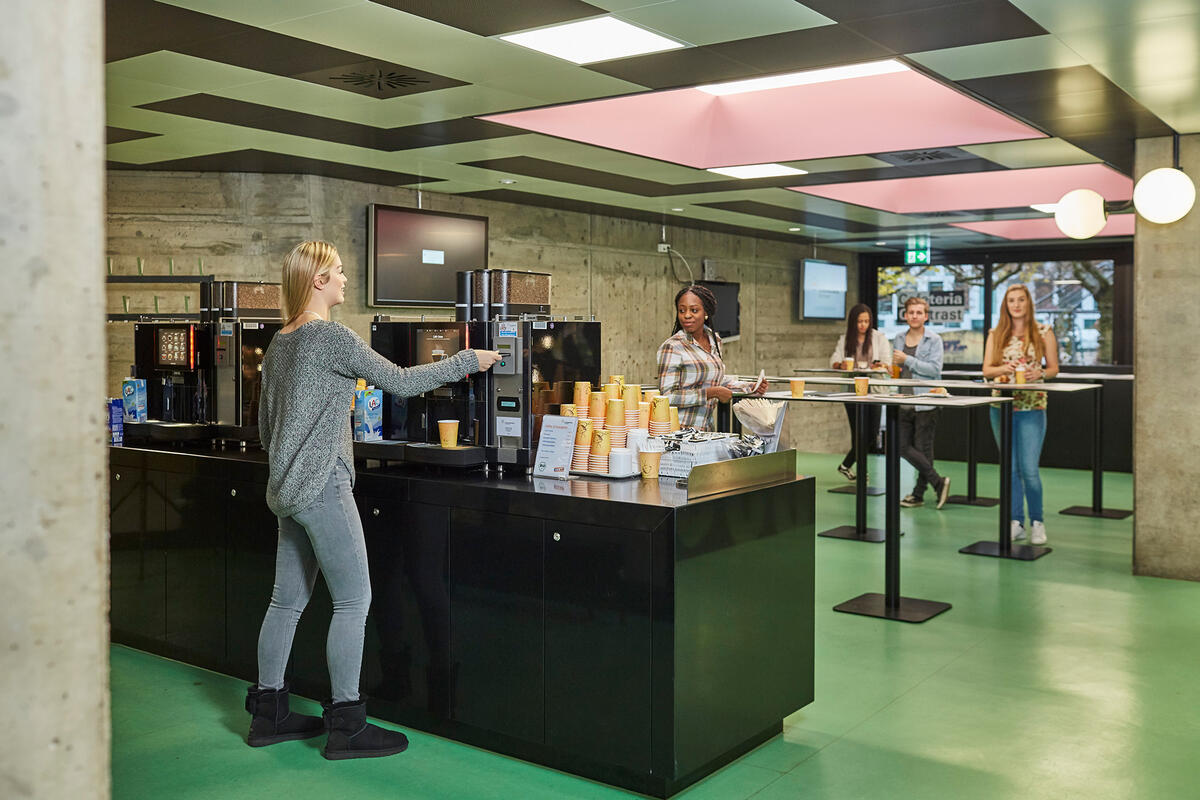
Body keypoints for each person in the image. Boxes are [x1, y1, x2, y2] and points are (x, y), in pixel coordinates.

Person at [247, 240, 500, 759]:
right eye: (338, 271)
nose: (345, 279)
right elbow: (401, 382)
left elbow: (266, 428)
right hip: (324, 486)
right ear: (318, 280)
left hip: (287, 489)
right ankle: (347, 724)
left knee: (285, 601)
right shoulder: (330, 337)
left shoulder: (279, 343)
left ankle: (268, 714)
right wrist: (467, 360)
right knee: (353, 601)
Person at [983, 284, 1059, 545]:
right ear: (1005, 305)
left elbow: (1054, 369)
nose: (1016, 305)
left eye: (1020, 300)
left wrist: (1040, 373)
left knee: (1029, 470)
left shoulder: (1044, 332)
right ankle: (1016, 522)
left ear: (1028, 303)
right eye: (1011, 300)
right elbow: (987, 370)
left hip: (1032, 407)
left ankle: (1037, 521)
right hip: (1000, 407)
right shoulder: (996, 334)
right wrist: (1005, 368)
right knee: (1010, 468)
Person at [657, 284, 762, 431]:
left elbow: (715, 379)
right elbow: (667, 397)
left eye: (694, 310)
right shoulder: (672, 347)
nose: (687, 315)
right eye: (682, 310)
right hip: (679, 432)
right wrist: (711, 393)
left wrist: (751, 387)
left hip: (706, 430)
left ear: (706, 312)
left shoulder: (715, 340)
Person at [892, 296, 951, 509]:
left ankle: (918, 494)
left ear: (925, 316)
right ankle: (938, 482)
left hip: (926, 402)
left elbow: (934, 370)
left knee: (923, 449)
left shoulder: (934, 340)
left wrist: (907, 360)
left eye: (919, 312)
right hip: (903, 400)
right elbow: (897, 369)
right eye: (911, 312)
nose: (914, 316)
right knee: (902, 446)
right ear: (905, 315)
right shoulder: (898, 338)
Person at [829, 304, 892, 480]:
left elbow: (887, 362)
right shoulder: (845, 339)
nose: (863, 325)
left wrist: (880, 365)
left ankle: (846, 464)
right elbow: (834, 359)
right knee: (857, 433)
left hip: (874, 389)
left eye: (866, 321)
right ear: (853, 322)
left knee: (871, 433)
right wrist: (840, 365)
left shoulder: (879, 338)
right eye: (859, 321)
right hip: (852, 390)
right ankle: (862, 472)